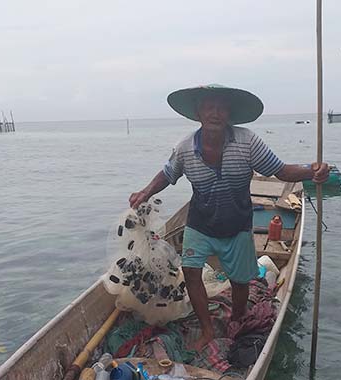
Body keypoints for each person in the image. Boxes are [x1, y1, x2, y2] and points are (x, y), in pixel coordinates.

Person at [129, 84, 329, 350]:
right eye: (209, 107)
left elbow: (281, 172)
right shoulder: (185, 147)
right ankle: (208, 330)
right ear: (199, 113)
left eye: (221, 108)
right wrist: (145, 191)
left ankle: (237, 318)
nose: (215, 113)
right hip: (199, 224)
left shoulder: (248, 142)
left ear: (229, 114)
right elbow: (168, 174)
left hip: (237, 225)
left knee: (240, 281)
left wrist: (311, 170)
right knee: (190, 273)